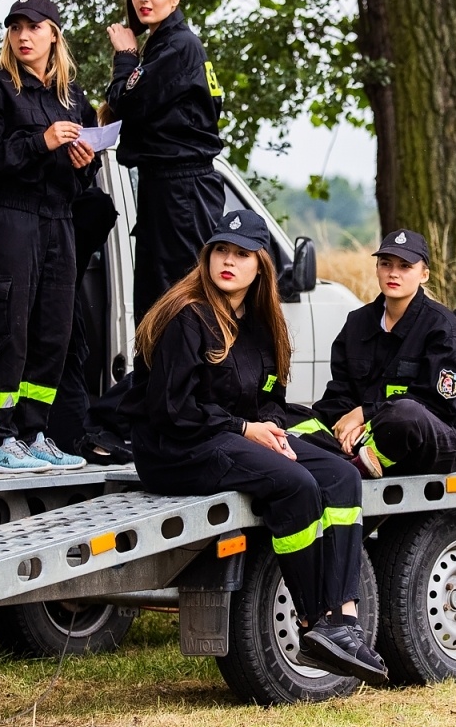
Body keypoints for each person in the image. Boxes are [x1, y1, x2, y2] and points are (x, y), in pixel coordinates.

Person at [121, 209, 387, 685]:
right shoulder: (189, 318)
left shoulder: (262, 326)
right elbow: (172, 411)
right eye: (221, 250)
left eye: (241, 254)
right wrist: (247, 429)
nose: (228, 261)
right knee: (296, 485)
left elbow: (269, 402)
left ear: (260, 265)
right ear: (208, 258)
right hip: (178, 449)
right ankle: (312, 621)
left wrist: (288, 431)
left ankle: (342, 619)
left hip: (232, 436)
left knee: (340, 476)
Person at [0, 0, 95, 472]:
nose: (23, 36)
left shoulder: (73, 97)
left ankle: (35, 432)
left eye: (34, 27)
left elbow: (83, 182)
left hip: (59, 220)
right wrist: (40, 142)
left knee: (52, 330)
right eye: (15, 27)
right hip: (8, 219)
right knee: (7, 327)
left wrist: (83, 164)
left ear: (53, 33)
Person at [103, 0, 226, 323]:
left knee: (177, 303)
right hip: (166, 186)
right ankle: (155, 379)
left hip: (181, 190)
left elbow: (126, 100)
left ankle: (176, 379)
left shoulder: (179, 46)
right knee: (157, 303)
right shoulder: (163, 45)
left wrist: (125, 56)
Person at [309, 229, 456, 478]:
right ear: (377, 268)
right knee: (295, 416)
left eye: (405, 266)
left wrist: (366, 415)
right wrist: (344, 423)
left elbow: (438, 407)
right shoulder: (357, 322)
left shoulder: (444, 329)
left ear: (424, 274)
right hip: (364, 434)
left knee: (406, 413)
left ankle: (358, 465)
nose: (393, 273)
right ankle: (351, 456)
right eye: (386, 264)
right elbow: (340, 393)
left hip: (432, 441)